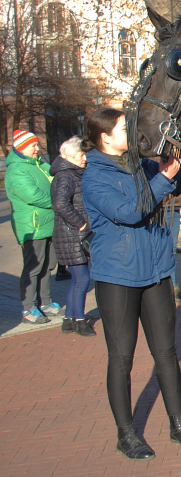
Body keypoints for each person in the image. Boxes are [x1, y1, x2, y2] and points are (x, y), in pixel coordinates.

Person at [81, 108, 181, 459]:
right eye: (125, 128)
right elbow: (132, 211)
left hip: (156, 272)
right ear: (105, 137)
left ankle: (179, 424)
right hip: (118, 277)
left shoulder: (141, 165)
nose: (132, 132)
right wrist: (163, 178)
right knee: (122, 359)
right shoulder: (94, 177)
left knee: (167, 353)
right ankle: (126, 434)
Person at [6, 129, 61, 324]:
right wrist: (58, 201)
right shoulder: (16, 169)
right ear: (22, 148)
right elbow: (32, 195)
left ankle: (45, 302)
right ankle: (29, 308)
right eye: (33, 145)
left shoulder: (40, 164)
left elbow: (56, 181)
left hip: (49, 222)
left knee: (47, 265)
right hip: (33, 226)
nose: (38, 148)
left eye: (37, 144)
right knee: (33, 267)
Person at [50, 136, 94, 336]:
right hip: (72, 234)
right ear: (67, 156)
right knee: (83, 279)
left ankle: (68, 319)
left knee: (77, 279)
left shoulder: (73, 173)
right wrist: (82, 223)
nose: (84, 159)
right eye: (79, 155)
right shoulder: (66, 175)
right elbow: (60, 204)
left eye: (84, 155)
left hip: (73, 234)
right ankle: (80, 320)